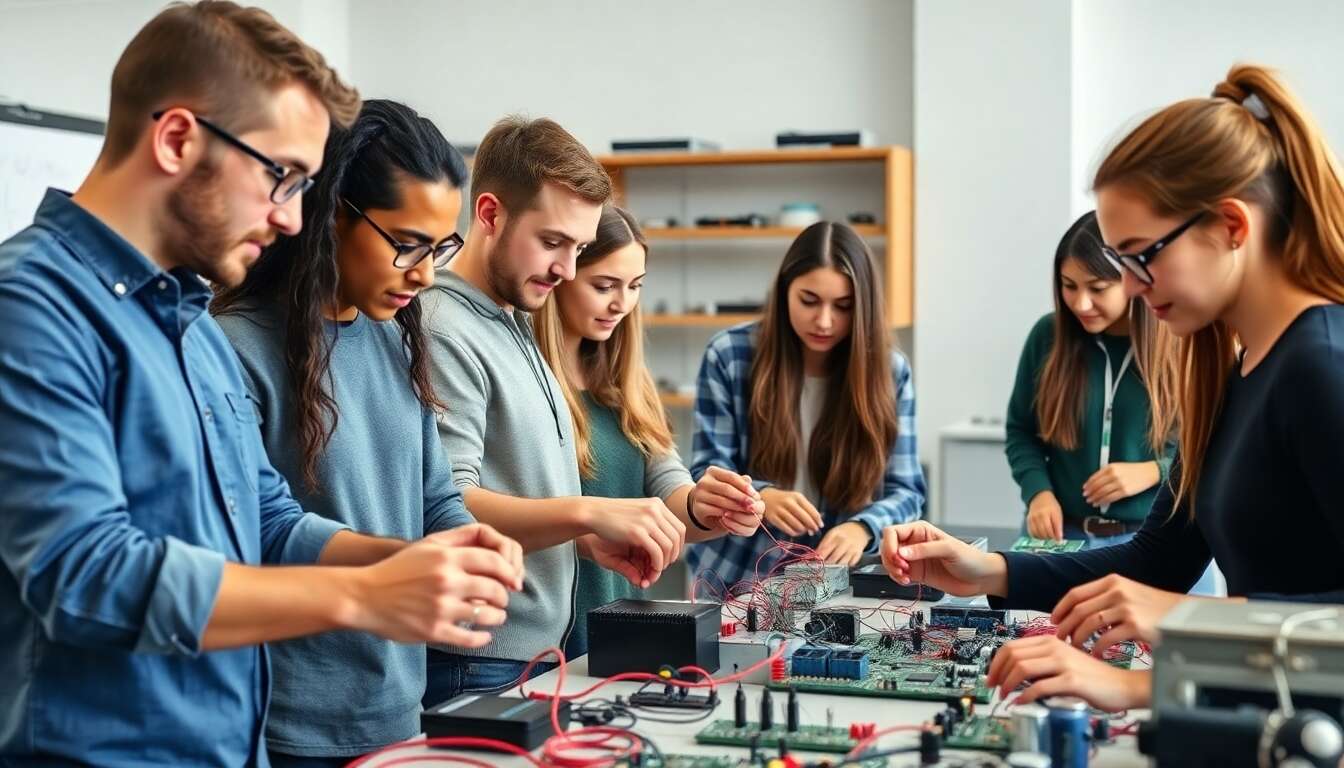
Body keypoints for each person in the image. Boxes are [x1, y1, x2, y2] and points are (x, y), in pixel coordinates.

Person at [0, 4, 521, 765]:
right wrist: (365, 598)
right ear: (177, 138)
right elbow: (84, 573)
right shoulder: (32, 306)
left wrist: (407, 563)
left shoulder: (191, 327)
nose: (291, 220)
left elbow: (271, 525)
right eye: (282, 177)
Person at [883, 63, 1344, 712]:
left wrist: (1152, 664)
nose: (1128, 287)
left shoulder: (1322, 366)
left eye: (1140, 256)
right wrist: (989, 571)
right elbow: (1157, 561)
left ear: (1232, 227)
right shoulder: (1234, 372)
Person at [212, 99, 517, 766]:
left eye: (441, 248)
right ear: (329, 215)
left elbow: (437, 498)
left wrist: (471, 542)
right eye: (406, 244)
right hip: (290, 727)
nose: (426, 272)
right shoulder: (234, 348)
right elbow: (262, 534)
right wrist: (403, 563)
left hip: (397, 711)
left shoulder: (394, 338)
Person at [420, 116, 689, 703]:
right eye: (552, 243)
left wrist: (580, 541)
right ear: (489, 215)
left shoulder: (512, 322)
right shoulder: (445, 326)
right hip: (480, 657)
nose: (567, 269)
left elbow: (512, 488)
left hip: (531, 653)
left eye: (579, 248)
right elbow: (449, 503)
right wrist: (588, 515)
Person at [533, 204, 763, 658]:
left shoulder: (627, 382)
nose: (622, 304)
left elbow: (666, 483)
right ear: (560, 274)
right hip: (539, 644)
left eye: (635, 287)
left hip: (618, 629)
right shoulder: (527, 378)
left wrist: (704, 505)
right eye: (604, 286)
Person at [687, 221, 927, 590]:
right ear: (785, 291)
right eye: (809, 301)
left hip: (841, 584)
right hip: (736, 576)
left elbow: (907, 491)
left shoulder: (890, 372)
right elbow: (706, 472)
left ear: (862, 308)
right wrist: (762, 496)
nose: (825, 321)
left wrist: (862, 527)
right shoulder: (730, 355)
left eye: (843, 306)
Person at [1007, 211, 1179, 549]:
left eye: (1097, 288)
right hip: (1061, 538)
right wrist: (1038, 493)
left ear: (1131, 280)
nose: (1081, 303)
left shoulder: (1179, 342)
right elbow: (1020, 431)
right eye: (1068, 286)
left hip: (1156, 539)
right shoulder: (1047, 335)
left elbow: (1212, 447)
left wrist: (1155, 471)